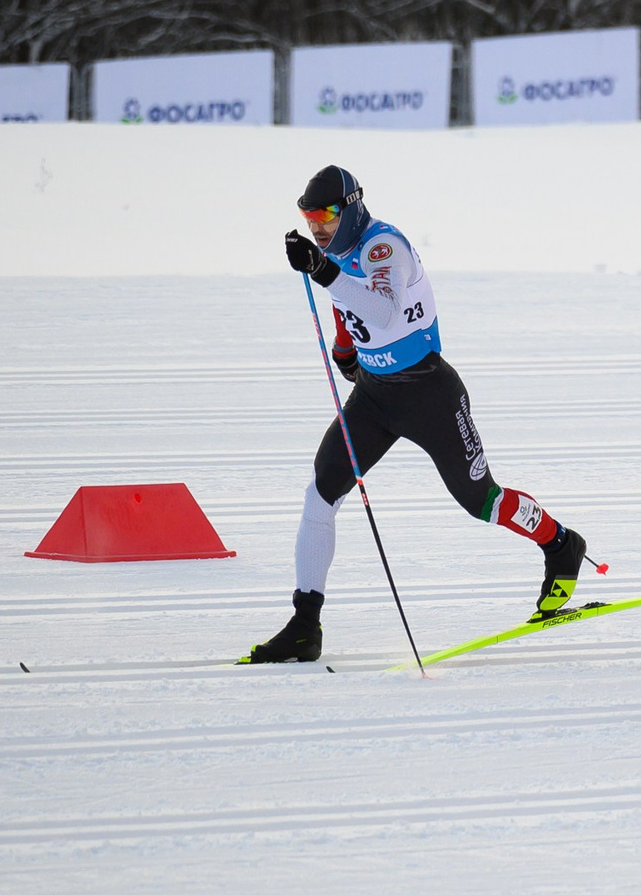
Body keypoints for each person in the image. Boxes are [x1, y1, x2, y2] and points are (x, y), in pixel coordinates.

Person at [249, 165, 589, 662]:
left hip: (430, 393)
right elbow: (350, 312)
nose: (317, 226)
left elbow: (383, 308)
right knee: (321, 492)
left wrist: (322, 273)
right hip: (375, 395)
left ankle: (561, 544)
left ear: (352, 206)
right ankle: (305, 626)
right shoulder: (336, 251)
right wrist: (347, 351)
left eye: (324, 214)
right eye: (308, 216)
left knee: (482, 500)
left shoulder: (384, 246)